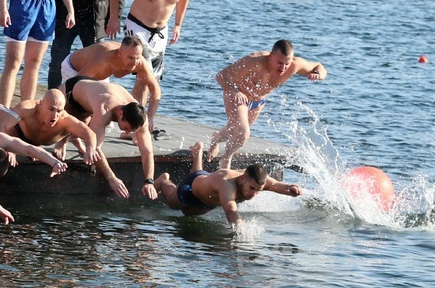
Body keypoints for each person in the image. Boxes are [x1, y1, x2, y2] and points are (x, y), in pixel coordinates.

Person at [208, 40, 327, 168]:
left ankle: (215, 139)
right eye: (279, 63)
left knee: (234, 131)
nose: (283, 68)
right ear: (271, 56)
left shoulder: (295, 65)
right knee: (243, 132)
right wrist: (235, 91)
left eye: (287, 63)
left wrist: (318, 74)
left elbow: (319, 66)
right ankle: (226, 158)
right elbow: (221, 75)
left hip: (258, 102)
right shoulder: (253, 62)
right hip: (238, 96)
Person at [155, 141, 302, 226]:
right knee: (173, 204)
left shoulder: (257, 181)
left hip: (206, 197)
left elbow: (276, 185)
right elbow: (231, 211)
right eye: (252, 189)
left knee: (188, 213)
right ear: (242, 178)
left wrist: (291, 188)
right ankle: (163, 181)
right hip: (190, 189)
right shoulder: (227, 185)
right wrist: (242, 232)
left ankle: (197, 154)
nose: (254, 194)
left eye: (258, 190)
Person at [106, 0, 193, 82]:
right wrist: (113, 18)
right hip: (137, 27)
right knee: (146, 73)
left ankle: (141, 97)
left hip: (160, 32)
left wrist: (178, 24)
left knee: (153, 78)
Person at [61, 77, 157, 199]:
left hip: (93, 92)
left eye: (132, 131)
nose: (127, 132)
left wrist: (149, 181)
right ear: (121, 114)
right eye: (126, 128)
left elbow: (147, 151)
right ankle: (63, 140)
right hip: (72, 90)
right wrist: (111, 178)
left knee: (86, 125)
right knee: (57, 126)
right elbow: (95, 148)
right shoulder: (104, 109)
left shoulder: (141, 117)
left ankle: (72, 138)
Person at [0, 88, 101, 168]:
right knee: (5, 116)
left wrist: (90, 148)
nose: (54, 115)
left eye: (58, 111)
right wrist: (6, 146)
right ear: (41, 104)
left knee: (7, 114)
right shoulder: (28, 108)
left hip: (35, 141)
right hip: (17, 132)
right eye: (51, 109)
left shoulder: (65, 120)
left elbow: (88, 133)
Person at [57, 36, 162, 134]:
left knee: (106, 124)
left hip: (99, 76)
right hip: (75, 70)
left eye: (138, 57)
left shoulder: (139, 63)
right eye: (131, 58)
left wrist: (150, 116)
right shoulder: (104, 59)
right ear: (120, 53)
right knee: (76, 113)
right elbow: (75, 83)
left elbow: (155, 89)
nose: (135, 62)